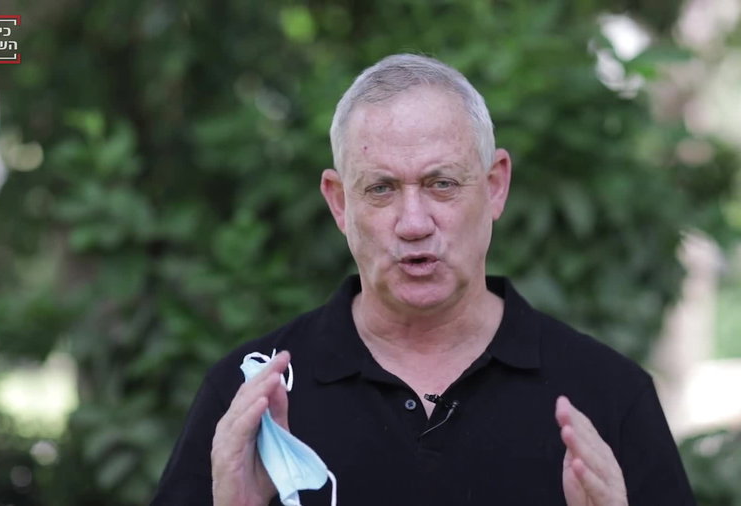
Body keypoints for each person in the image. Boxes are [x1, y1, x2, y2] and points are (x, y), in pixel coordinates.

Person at [152, 53, 695, 506]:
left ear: (495, 186)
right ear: (339, 203)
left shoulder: (605, 396)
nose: (413, 223)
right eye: (381, 189)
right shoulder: (253, 399)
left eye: (441, 184)